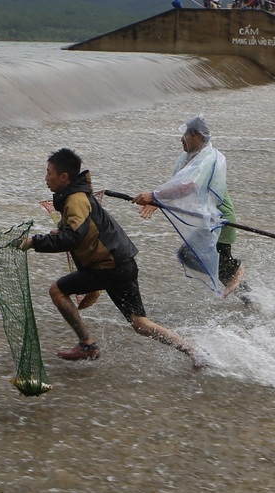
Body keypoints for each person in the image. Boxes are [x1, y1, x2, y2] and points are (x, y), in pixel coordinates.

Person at [18, 148, 202, 366]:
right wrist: (61, 232)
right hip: (122, 262)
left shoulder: (75, 199)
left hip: (109, 266)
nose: (46, 178)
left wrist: (34, 242)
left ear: (64, 177)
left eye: (49, 172)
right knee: (140, 324)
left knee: (57, 290)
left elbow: (73, 237)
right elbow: (83, 230)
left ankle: (87, 344)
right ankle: (193, 351)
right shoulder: (77, 195)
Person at [132, 116, 253, 303]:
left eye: (185, 135)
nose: (181, 139)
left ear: (196, 135)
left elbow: (188, 187)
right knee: (198, 258)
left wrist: (154, 195)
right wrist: (156, 203)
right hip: (210, 220)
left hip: (220, 220)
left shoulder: (207, 159)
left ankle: (239, 272)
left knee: (202, 258)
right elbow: (177, 187)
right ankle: (251, 300)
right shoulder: (191, 158)